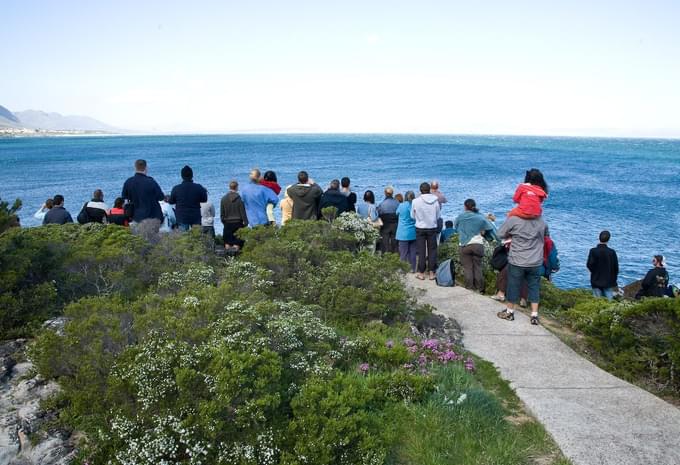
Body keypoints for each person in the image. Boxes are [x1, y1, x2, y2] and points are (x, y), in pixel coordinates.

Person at [495, 214, 548, 325]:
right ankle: (534, 315)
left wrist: (512, 234)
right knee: (534, 287)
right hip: (535, 261)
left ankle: (509, 312)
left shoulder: (514, 220)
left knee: (513, 286)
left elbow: (499, 234)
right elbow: (546, 236)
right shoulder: (541, 221)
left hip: (517, 260)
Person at [454, 199, 497, 292]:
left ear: (465, 207)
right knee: (478, 267)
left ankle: (469, 288)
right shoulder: (480, 217)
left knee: (468, 267)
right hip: (477, 244)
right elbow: (489, 228)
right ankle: (480, 289)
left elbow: (456, 228)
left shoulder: (460, 217)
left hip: (464, 245)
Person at [411, 182, 441, 280]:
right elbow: (438, 216)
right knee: (432, 250)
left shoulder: (415, 201)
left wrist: (419, 218)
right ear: (429, 190)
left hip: (420, 227)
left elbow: (412, 215)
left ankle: (421, 272)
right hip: (432, 227)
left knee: (421, 250)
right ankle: (432, 272)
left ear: (420, 190)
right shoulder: (435, 201)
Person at [121, 159, 165, 224]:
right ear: (146, 168)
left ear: (135, 167)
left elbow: (124, 198)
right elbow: (161, 197)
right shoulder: (151, 182)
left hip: (136, 217)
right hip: (153, 216)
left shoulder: (128, 182)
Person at [169, 165, 208, 231]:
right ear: (192, 175)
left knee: (183, 239)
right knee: (197, 237)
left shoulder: (176, 188)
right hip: (195, 216)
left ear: (182, 176)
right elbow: (204, 199)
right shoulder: (198, 187)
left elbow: (171, 201)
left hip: (182, 217)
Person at [587, 230, 619, 299]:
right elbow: (616, 268)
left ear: (599, 238)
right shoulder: (612, 252)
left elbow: (589, 265)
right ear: (608, 239)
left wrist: (595, 272)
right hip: (608, 281)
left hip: (596, 280)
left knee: (597, 302)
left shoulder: (593, 251)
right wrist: (614, 280)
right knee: (609, 303)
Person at [220, 180, 248, 250]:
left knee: (227, 243)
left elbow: (222, 214)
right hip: (238, 224)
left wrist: (224, 223)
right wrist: (246, 223)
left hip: (227, 224)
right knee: (237, 243)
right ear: (237, 187)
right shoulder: (240, 199)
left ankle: (228, 259)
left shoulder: (223, 199)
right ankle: (236, 259)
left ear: (229, 187)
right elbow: (243, 213)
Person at [396, 190, 417, 272]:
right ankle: (413, 268)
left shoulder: (401, 205)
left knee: (403, 252)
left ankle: (402, 268)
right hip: (413, 231)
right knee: (413, 252)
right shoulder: (414, 205)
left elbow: (396, 213)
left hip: (402, 232)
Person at [377, 187, 400, 253]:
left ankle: (385, 256)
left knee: (384, 242)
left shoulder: (382, 204)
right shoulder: (397, 203)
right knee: (395, 242)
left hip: (385, 224)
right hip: (395, 223)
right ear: (392, 194)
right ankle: (395, 256)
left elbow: (379, 213)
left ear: (385, 193)